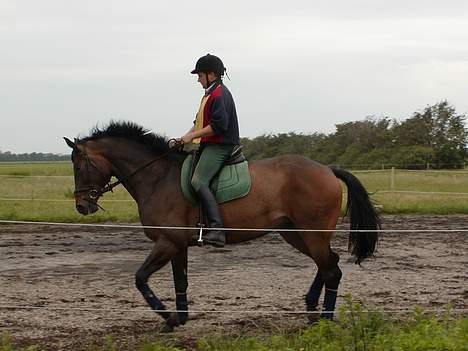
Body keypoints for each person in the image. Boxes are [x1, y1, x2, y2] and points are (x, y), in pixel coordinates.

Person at [179, 54, 240, 247]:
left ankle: (217, 229)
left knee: (198, 181)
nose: (198, 79)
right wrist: (183, 138)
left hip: (220, 145)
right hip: (209, 144)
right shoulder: (208, 95)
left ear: (211, 74)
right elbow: (198, 124)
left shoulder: (219, 94)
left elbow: (218, 126)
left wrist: (191, 137)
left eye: (200, 75)